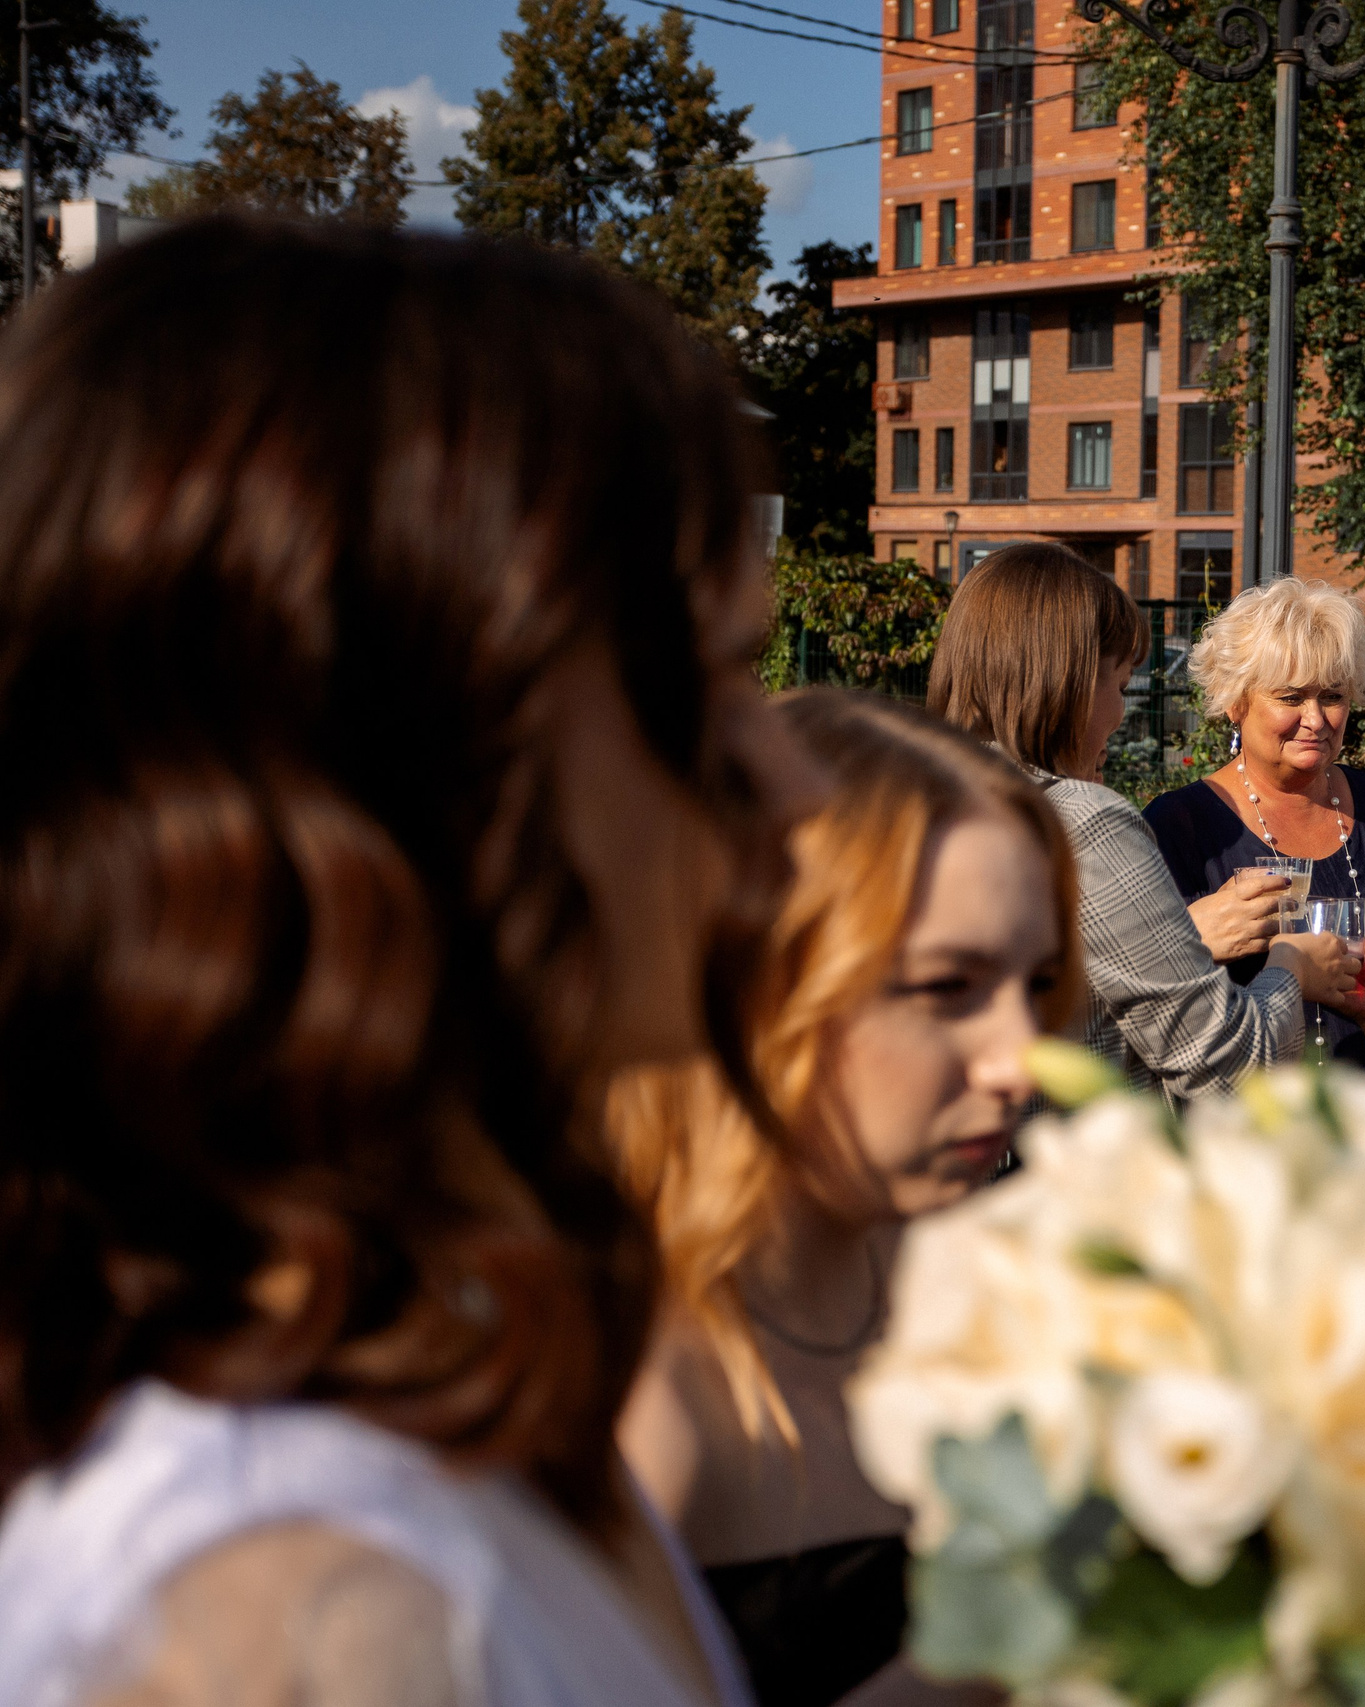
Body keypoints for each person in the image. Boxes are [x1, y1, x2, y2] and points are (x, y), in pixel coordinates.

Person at [0, 219, 820, 1705]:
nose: (797, 787)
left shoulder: (426, 1361)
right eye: (708, 685)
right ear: (423, 760)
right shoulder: (292, 1627)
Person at [612, 692, 1074, 1707]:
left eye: (1037, 984)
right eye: (947, 987)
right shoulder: (631, 1392)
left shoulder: (1000, 1295)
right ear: (759, 978)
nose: (1019, 1057)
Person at [927, 543, 1365, 1101]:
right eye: (1119, 685)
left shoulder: (924, 806)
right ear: (1068, 685)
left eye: (1333, 695)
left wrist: (1186, 936)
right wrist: (1290, 965)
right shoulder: (1087, 823)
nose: (1120, 713)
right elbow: (1226, 1065)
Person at [1144, 577, 1365, 1088]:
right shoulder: (1181, 825)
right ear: (1236, 702)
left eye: (1333, 696)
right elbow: (1157, 1007)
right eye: (1290, 697)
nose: (1315, 719)